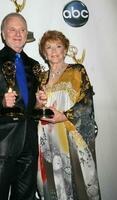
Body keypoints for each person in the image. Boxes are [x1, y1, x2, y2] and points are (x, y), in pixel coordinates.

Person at [35, 30, 101, 200]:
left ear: (65, 50)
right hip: (49, 140)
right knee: (54, 182)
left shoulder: (77, 71)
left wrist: (63, 116)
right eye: (49, 47)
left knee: (79, 182)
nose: (54, 51)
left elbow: (86, 102)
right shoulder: (41, 77)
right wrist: (38, 103)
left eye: (58, 46)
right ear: (44, 53)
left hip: (72, 136)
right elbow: (36, 110)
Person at [0, 12, 40, 200]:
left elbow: (33, 106)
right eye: (12, 29)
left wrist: (39, 104)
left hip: (30, 146)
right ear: (3, 33)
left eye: (22, 30)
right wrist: (0, 101)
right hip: (1, 143)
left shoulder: (34, 65)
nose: (18, 34)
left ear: (27, 34)